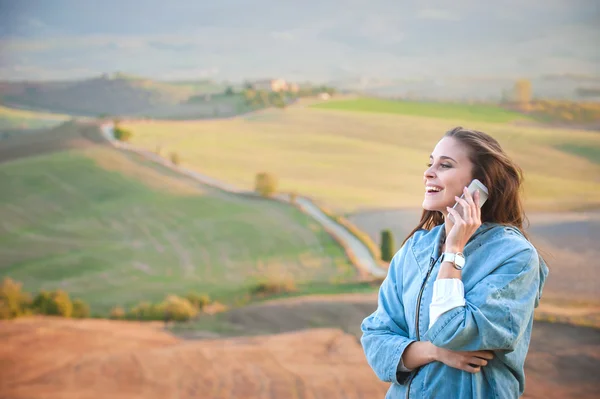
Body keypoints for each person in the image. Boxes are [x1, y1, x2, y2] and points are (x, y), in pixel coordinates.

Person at [361, 127, 549, 398]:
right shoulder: (413, 251)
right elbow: (376, 341)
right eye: (430, 163)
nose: (429, 172)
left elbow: (452, 332)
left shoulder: (515, 257)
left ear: (480, 185)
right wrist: (435, 352)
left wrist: (454, 251)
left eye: (445, 165)